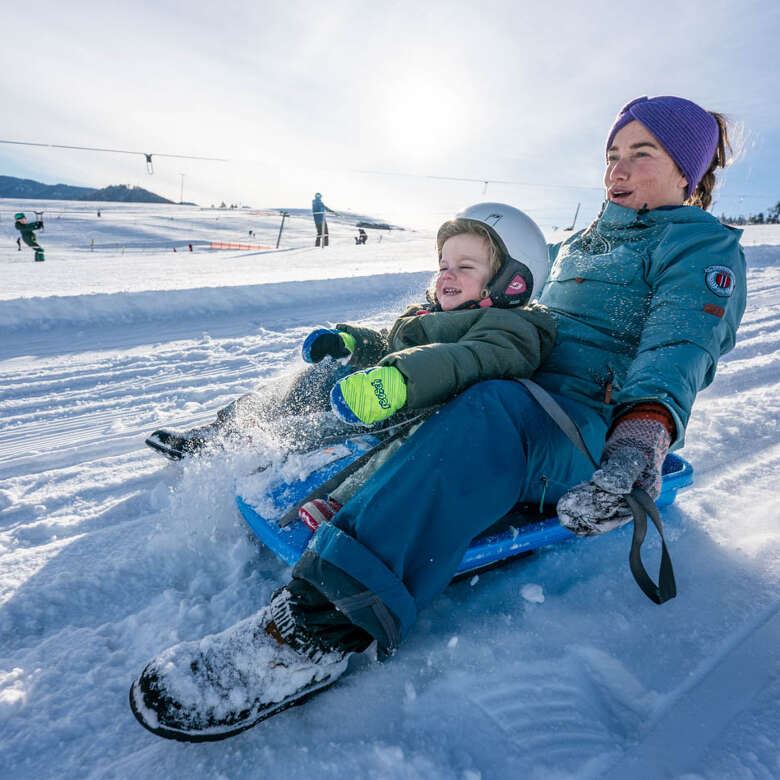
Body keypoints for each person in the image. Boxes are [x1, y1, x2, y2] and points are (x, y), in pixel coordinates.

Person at [130, 95, 747, 742]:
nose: (617, 170)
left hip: (577, 429)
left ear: (688, 169)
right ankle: (266, 446)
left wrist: (641, 439)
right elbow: (513, 310)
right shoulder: (583, 245)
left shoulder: (700, 248)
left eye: (640, 155)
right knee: (405, 372)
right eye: (612, 155)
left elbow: (678, 349)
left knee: (489, 406)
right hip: (514, 393)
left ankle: (313, 631)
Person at [145, 203, 555, 470]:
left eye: (465, 267)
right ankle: (222, 434)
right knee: (309, 383)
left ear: (511, 283)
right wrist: (350, 343)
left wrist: (399, 379)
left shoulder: (510, 328)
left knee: (323, 427)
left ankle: (263, 465)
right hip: (377, 393)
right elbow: (391, 342)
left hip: (412, 415)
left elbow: (471, 361)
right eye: (444, 263)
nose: (447, 274)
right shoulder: (427, 313)